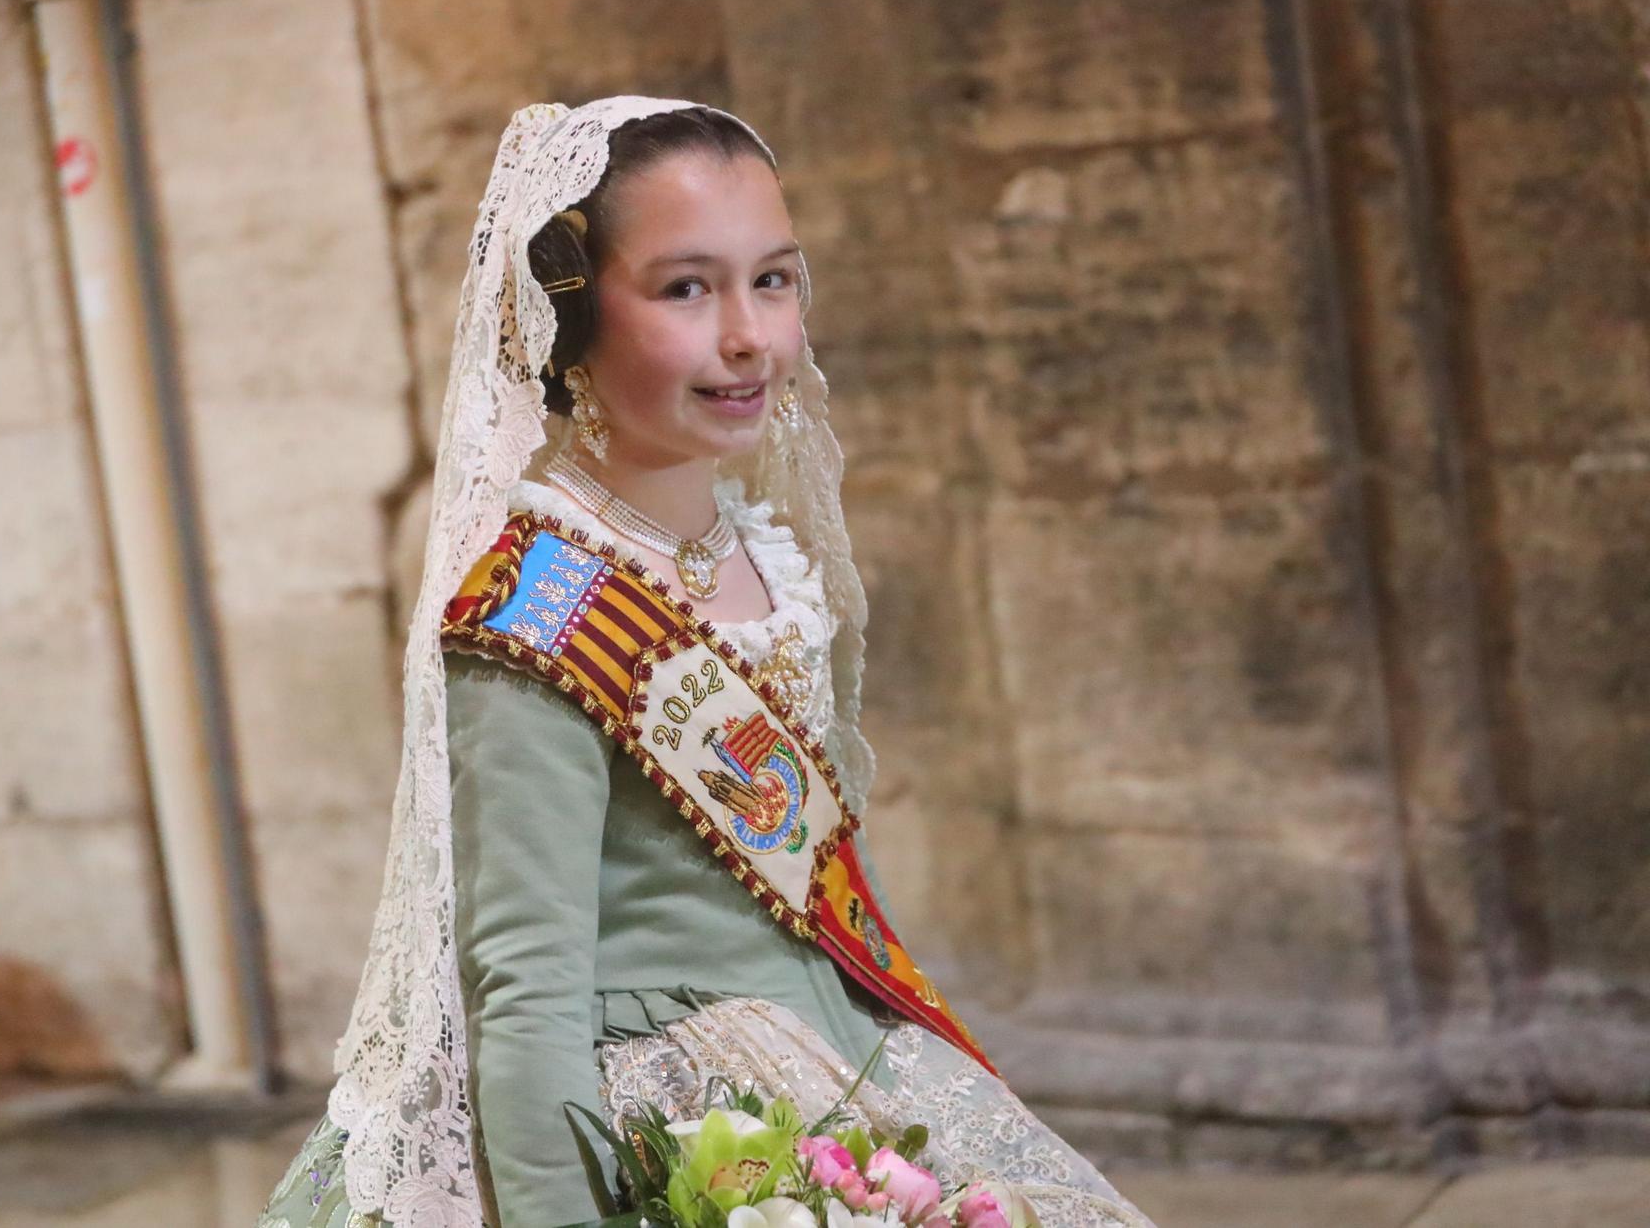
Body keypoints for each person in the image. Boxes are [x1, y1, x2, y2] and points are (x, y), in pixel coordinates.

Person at [255, 97, 1154, 1228]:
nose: (748, 336)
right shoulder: (535, 610)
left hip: (832, 1052)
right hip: (658, 1115)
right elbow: (523, 995)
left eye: (771, 280)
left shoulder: (765, 548)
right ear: (570, 316)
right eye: (686, 288)